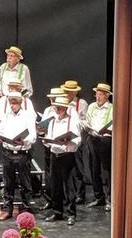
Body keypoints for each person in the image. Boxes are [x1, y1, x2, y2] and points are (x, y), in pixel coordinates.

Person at [0, 92, 37, 220]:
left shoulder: (27, 116)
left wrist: (24, 141)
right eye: (10, 103)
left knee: (25, 183)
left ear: (19, 103)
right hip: (8, 152)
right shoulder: (7, 116)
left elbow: (33, 136)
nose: (12, 106)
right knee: (8, 183)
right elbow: (0, 132)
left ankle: (25, 209)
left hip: (22, 153)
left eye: (14, 103)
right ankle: (8, 209)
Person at [43, 96, 81, 225]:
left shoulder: (71, 121)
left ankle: (71, 214)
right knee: (55, 186)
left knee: (69, 186)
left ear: (65, 108)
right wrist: (46, 141)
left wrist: (68, 142)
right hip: (55, 155)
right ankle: (57, 212)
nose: (57, 109)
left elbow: (78, 139)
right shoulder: (53, 121)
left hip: (67, 156)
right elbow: (49, 136)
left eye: (60, 107)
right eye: (56, 107)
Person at [84, 83, 113, 211]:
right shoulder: (91, 107)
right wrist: (87, 127)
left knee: (107, 170)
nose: (98, 97)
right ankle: (98, 197)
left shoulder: (111, 108)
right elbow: (87, 122)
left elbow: (114, 126)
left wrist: (106, 131)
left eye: (101, 94)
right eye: (97, 94)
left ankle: (109, 199)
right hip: (92, 139)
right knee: (94, 168)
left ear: (107, 96)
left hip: (105, 140)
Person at [61, 80, 89, 204]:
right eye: (66, 91)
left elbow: (85, 121)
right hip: (64, 139)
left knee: (78, 167)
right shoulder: (62, 102)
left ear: (75, 92)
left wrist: (75, 120)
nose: (67, 94)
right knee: (66, 168)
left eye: (70, 92)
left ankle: (80, 194)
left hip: (76, 138)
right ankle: (67, 194)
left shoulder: (81, 103)